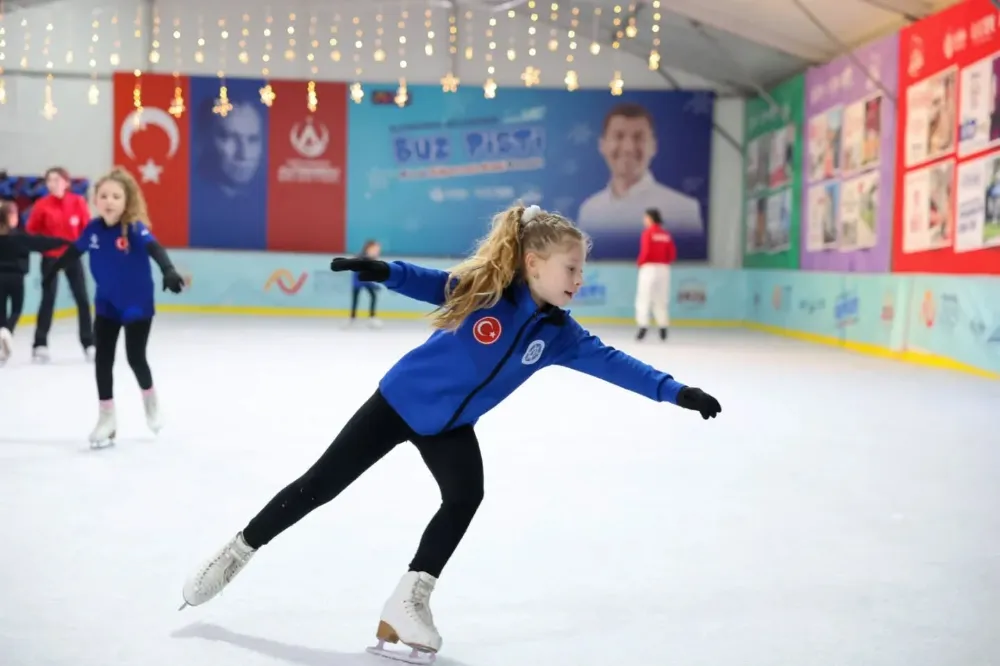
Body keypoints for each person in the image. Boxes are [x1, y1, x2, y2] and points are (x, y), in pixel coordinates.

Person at [179, 203, 722, 661]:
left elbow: (617, 364)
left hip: (451, 426)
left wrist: (677, 392)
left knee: (465, 495)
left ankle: (408, 599)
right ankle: (238, 550)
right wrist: (384, 270)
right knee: (321, 484)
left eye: (582, 270)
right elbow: (436, 284)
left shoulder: (561, 335)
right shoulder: (490, 291)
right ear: (533, 264)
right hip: (399, 402)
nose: (579, 280)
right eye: (571, 269)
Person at [42, 167, 185, 447]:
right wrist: (54, 269)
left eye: (116, 196)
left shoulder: (134, 228)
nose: (109, 201)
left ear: (126, 200)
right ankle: (107, 418)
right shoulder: (93, 229)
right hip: (107, 304)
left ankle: (150, 401)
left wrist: (168, 270)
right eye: (104, 195)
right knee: (103, 360)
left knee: (135, 358)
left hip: (137, 305)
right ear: (96, 199)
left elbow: (155, 248)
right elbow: (75, 251)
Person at [576, 103, 703, 251]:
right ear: (602, 145)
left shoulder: (684, 210)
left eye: (639, 138)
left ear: (653, 146)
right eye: (618, 136)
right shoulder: (589, 211)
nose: (628, 148)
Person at [26, 167, 96, 362]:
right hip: (50, 258)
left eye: (56, 180)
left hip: (72, 256)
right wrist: (44, 246)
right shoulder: (41, 205)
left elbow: (86, 228)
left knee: (82, 299)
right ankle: (40, 344)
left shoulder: (78, 202)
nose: (53, 184)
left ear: (66, 182)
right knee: (48, 299)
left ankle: (89, 343)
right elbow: (32, 230)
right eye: (49, 180)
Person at [0, 201, 71, 363]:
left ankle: (2, 332)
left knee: (1, 312)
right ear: (9, 217)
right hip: (16, 278)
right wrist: (64, 241)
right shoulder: (19, 238)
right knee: (16, 309)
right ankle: (7, 331)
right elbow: (41, 243)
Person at [635, 208, 676, 341]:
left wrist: (640, 263)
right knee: (661, 299)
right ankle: (663, 327)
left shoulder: (648, 233)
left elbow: (645, 251)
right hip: (664, 268)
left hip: (649, 268)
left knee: (644, 297)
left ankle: (643, 326)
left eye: (645, 217)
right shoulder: (666, 234)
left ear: (650, 218)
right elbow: (672, 254)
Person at [349, 239, 382, 328]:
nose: (377, 250)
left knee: (373, 296)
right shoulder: (363, 256)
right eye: (375, 248)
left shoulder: (371, 257)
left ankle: (371, 317)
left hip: (365, 280)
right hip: (358, 280)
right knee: (356, 299)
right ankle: (353, 318)